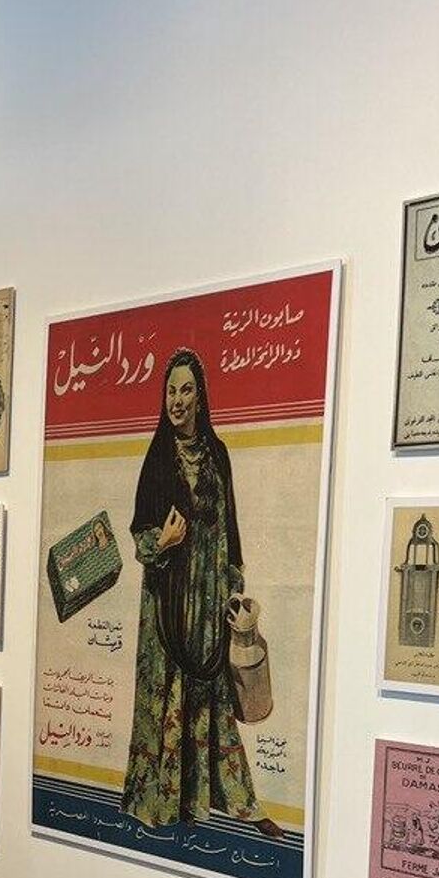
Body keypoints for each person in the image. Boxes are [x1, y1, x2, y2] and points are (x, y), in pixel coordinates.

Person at [121, 348, 279, 839]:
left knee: (213, 697)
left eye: (186, 389)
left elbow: (230, 529)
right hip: (167, 606)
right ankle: (165, 802)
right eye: (170, 390)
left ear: (200, 396)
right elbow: (139, 537)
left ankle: (233, 801)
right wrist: (163, 542)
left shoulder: (218, 455)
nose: (177, 400)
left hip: (208, 601)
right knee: (169, 696)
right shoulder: (156, 459)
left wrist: (234, 592)